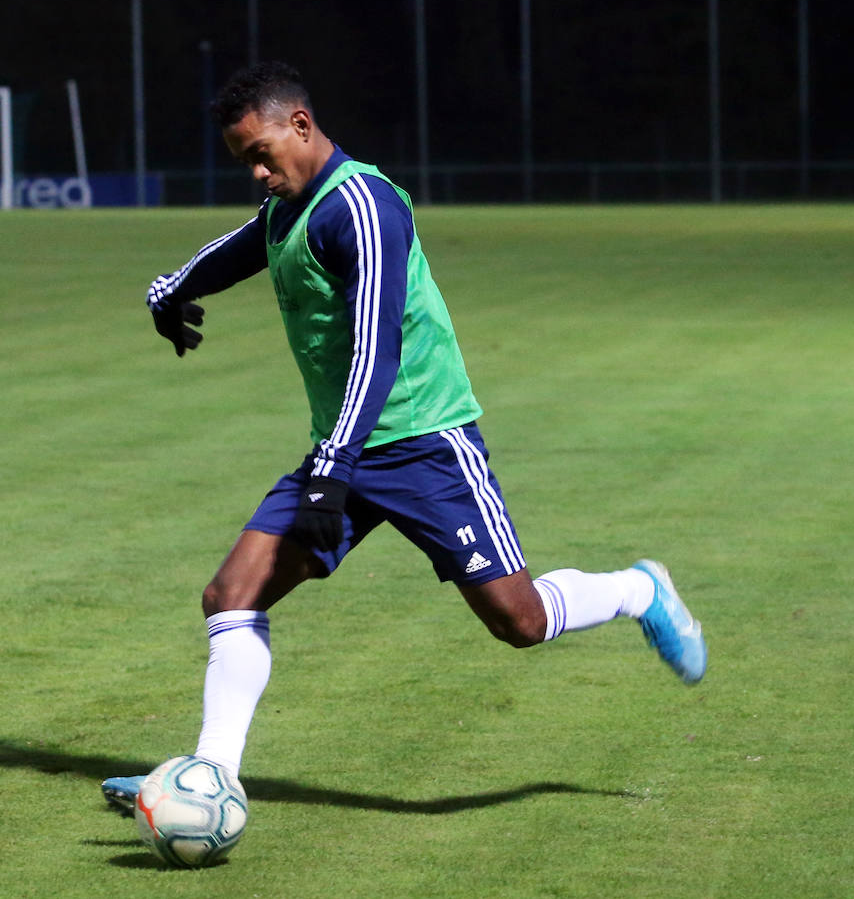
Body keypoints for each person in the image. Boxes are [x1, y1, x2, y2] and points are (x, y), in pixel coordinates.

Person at [102, 61, 705, 810]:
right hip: (344, 448)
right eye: (242, 162)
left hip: (425, 444)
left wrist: (331, 469)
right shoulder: (289, 204)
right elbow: (248, 244)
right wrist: (174, 286)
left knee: (517, 620)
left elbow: (375, 349)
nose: (256, 172)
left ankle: (637, 588)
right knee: (230, 594)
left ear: (301, 123)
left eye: (262, 152)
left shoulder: (363, 205)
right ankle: (208, 777)